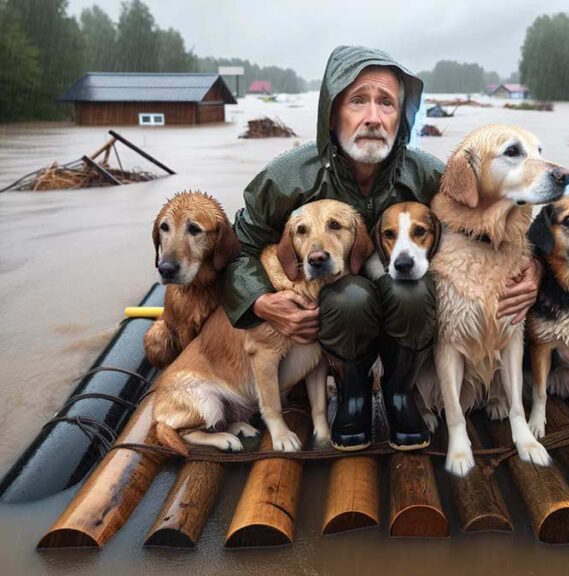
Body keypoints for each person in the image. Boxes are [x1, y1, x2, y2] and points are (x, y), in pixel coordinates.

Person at [222, 45, 542, 451]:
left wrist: (534, 269)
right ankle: (354, 393)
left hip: (402, 301)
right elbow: (238, 249)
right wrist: (261, 303)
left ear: (402, 117)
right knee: (351, 297)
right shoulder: (286, 177)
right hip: (334, 311)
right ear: (333, 112)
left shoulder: (428, 173)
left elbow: (496, 217)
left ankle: (398, 389)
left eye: (386, 103)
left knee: (413, 290)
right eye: (358, 101)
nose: (373, 117)